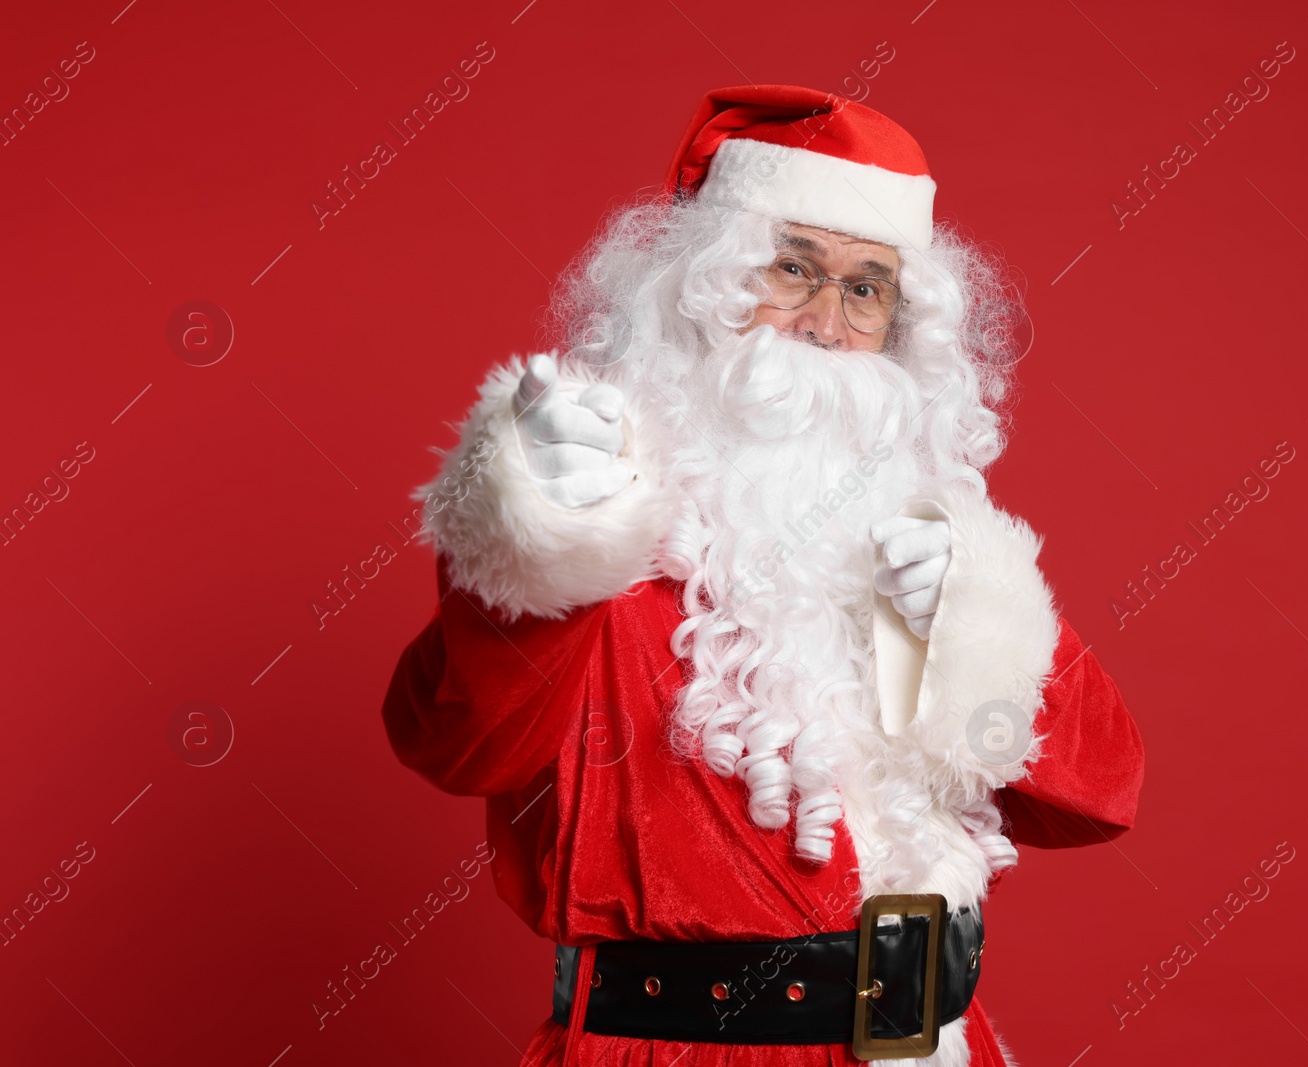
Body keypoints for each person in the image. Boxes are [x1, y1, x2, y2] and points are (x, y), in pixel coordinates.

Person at [381, 84, 1145, 1067]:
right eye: (794, 268)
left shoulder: (927, 541)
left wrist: (972, 631)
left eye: (866, 287)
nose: (826, 323)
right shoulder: (588, 513)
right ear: (702, 288)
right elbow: (454, 740)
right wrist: (533, 545)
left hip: (929, 1040)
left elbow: (1099, 794)